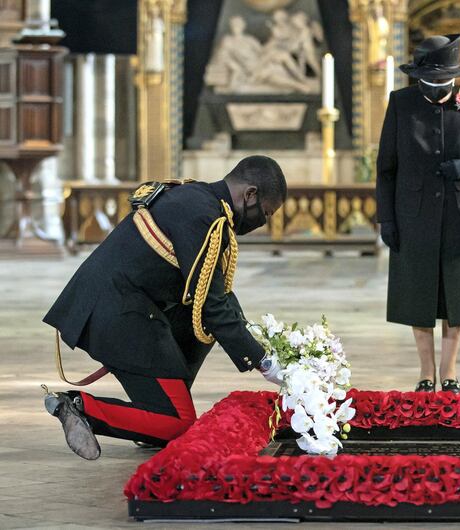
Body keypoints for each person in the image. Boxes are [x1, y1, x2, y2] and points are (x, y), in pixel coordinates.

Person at [42, 156, 287, 459]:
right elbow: (213, 306)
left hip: (128, 304)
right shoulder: (203, 216)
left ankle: (151, 419)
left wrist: (260, 342)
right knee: (179, 426)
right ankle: (78, 406)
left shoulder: (199, 199)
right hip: (115, 311)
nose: (262, 222)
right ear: (250, 194)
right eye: (264, 213)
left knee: (203, 325)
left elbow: (218, 295)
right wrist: (265, 363)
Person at [376, 34, 460, 394]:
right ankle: (424, 373)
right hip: (412, 217)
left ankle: (449, 374)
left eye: (443, 84)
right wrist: (386, 218)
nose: (437, 90)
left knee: (456, 300)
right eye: (430, 84)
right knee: (417, 298)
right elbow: (386, 167)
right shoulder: (400, 103)